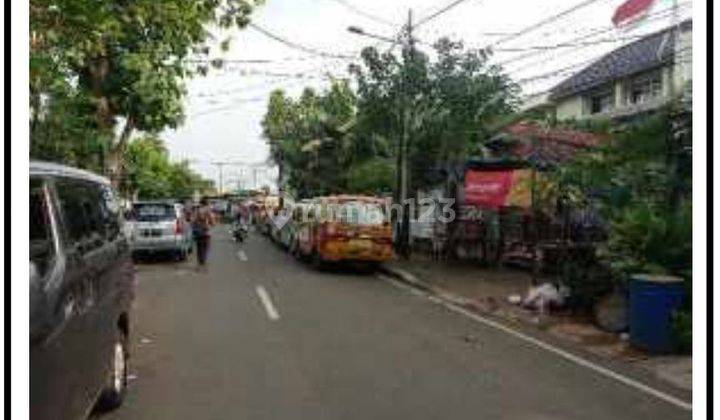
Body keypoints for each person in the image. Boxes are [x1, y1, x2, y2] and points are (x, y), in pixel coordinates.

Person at [191, 198, 214, 270]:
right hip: (206, 232)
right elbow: (212, 222)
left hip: (198, 232)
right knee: (205, 248)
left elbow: (192, 221)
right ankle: (203, 264)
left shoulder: (197, 211)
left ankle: (199, 264)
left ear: (201, 203)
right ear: (207, 204)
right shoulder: (208, 211)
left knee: (199, 249)